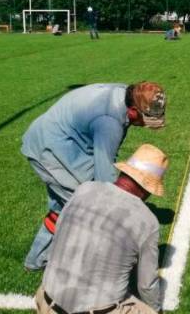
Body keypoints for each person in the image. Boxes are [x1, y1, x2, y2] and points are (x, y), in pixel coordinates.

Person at [21, 82, 167, 271]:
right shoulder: (110, 122)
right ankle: (90, 269)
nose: (144, 125)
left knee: (65, 205)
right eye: (145, 119)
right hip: (50, 148)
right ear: (132, 111)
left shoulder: (125, 94)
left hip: (68, 144)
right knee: (86, 208)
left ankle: (37, 259)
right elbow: (104, 175)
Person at [35, 144, 168, 314]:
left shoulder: (84, 188)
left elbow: (59, 231)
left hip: (47, 300)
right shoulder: (148, 221)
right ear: (148, 188)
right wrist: (157, 310)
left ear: (124, 172)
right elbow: (147, 286)